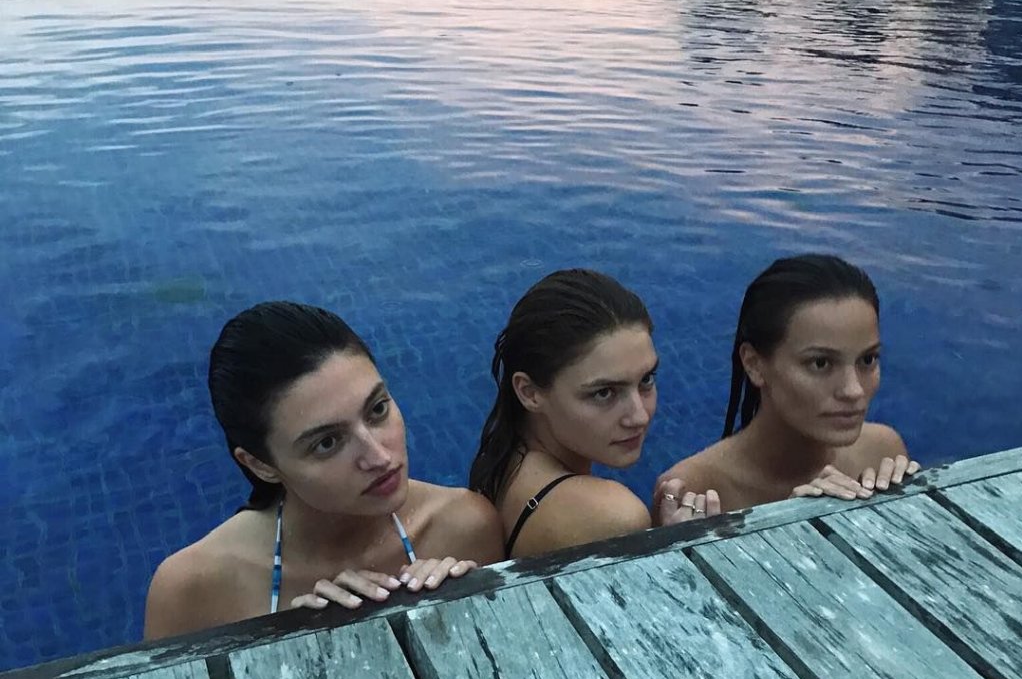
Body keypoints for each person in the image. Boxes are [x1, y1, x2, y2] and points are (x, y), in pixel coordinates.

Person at [144, 301, 503, 640]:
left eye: (377, 410)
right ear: (260, 464)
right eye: (327, 442)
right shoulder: (192, 591)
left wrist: (458, 608)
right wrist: (291, 647)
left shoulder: (463, 528)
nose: (378, 457)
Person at [469, 268, 718, 559]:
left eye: (646, 380)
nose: (639, 416)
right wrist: (681, 553)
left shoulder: (503, 463)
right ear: (529, 392)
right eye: (604, 393)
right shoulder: (613, 517)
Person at [656, 254, 920, 514]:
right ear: (754, 364)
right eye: (820, 363)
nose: (854, 390)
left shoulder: (881, 452)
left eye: (868, 359)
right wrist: (787, 521)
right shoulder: (691, 492)